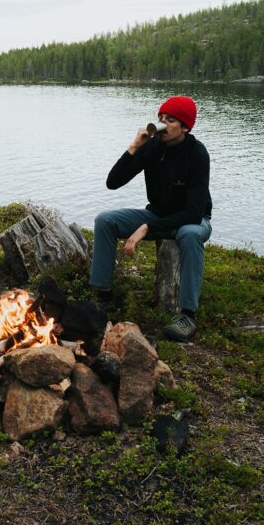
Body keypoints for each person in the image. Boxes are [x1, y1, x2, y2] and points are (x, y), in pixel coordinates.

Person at [89, 95, 212, 342]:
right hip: (156, 214)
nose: (162, 124)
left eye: (170, 120)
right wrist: (135, 146)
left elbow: (194, 212)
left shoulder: (197, 153)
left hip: (192, 221)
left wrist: (147, 227)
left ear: (185, 126)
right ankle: (102, 299)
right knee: (105, 220)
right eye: (160, 118)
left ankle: (187, 316)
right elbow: (113, 183)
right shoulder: (153, 147)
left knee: (188, 235)